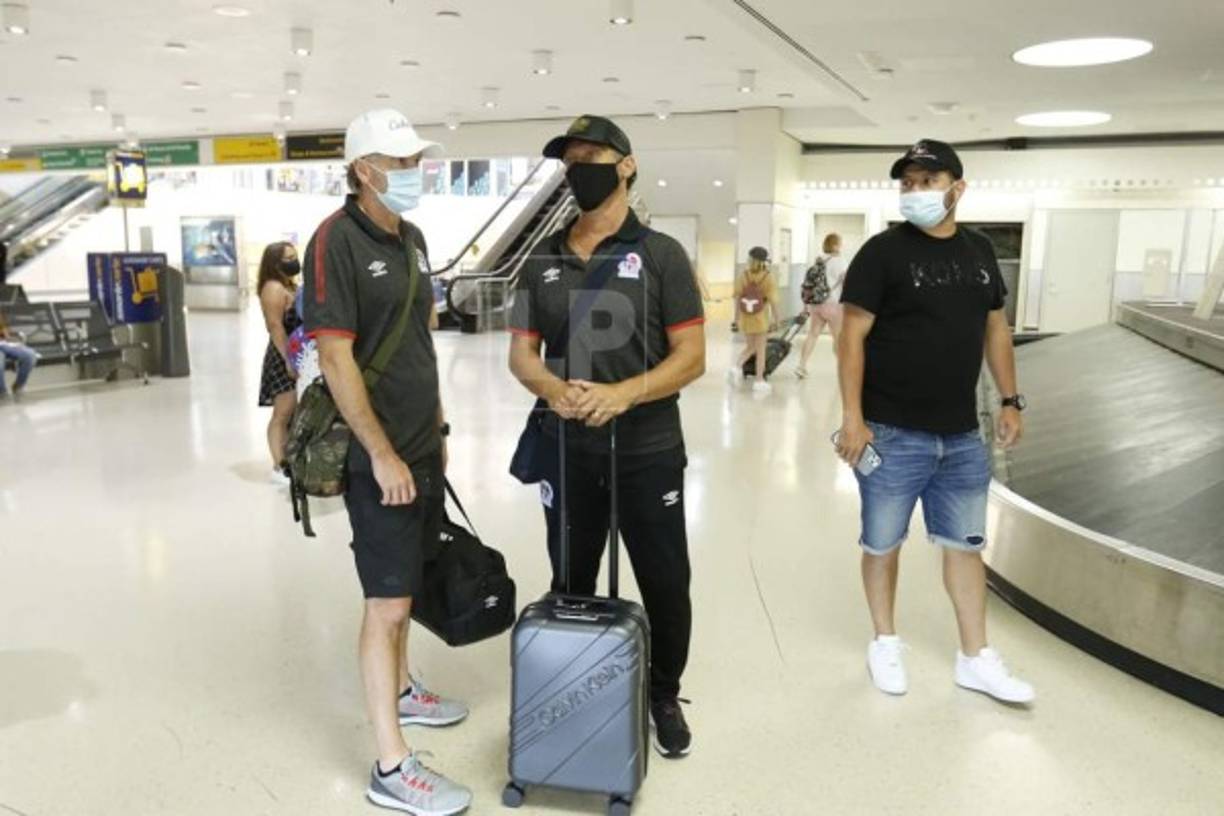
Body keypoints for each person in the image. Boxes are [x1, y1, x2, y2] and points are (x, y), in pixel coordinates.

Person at [508, 114, 706, 758]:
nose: (578, 167)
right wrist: (553, 390)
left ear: (625, 164)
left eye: (592, 154)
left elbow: (693, 356)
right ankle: (578, 689)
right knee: (570, 579)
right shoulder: (541, 260)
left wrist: (623, 393)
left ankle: (662, 693)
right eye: (570, 158)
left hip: (648, 452)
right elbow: (521, 356)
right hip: (569, 453)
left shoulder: (661, 255)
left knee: (665, 581)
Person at [303, 108, 471, 815]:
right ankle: (391, 765)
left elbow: (419, 341)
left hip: (420, 445)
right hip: (380, 457)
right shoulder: (333, 243)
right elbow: (336, 357)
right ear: (364, 170)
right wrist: (380, 452)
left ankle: (406, 687)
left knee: (412, 578)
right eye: (400, 164)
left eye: (415, 161)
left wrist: (432, 427)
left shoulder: (414, 237)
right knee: (388, 600)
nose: (412, 174)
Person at [835, 139, 1035, 704]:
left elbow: (996, 327)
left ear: (958, 188)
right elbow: (851, 339)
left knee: (965, 545)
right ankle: (885, 640)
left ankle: (976, 657)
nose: (916, 192)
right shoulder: (882, 253)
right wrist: (853, 418)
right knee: (882, 544)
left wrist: (1011, 400)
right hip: (891, 433)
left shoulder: (978, 252)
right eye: (908, 183)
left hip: (962, 435)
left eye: (928, 180)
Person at [256, 241, 301, 475]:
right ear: (275, 263)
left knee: (294, 411)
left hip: (298, 352)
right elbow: (275, 327)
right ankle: (279, 465)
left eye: (295, 256)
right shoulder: (273, 288)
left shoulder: (288, 285)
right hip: (283, 354)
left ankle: (291, 459)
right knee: (282, 413)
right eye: (288, 258)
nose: (294, 261)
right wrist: (289, 360)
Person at [796, 233, 848, 378]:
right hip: (834, 305)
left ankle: (801, 365)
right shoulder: (840, 261)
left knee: (812, 335)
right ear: (835, 245)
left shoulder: (819, 260)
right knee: (838, 338)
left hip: (816, 304)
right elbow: (846, 283)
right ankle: (842, 369)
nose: (842, 245)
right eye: (840, 243)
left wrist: (805, 306)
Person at [730, 246, 779, 394]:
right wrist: (776, 320)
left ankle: (736, 367)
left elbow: (738, 298)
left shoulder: (743, 276)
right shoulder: (768, 277)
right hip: (760, 318)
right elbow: (773, 301)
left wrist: (736, 319)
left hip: (746, 317)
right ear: (764, 261)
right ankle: (759, 380)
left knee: (750, 347)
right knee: (760, 350)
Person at [0, 312, 38, 399]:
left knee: (30, 355)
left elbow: (3, 328)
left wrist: (10, 339)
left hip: (3, 343)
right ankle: (2, 392)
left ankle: (18, 386)